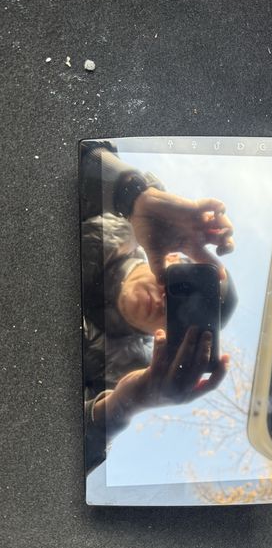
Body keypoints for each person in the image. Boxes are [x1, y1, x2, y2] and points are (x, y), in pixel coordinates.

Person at [79, 142, 237, 470]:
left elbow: (51, 448)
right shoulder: (120, 221)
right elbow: (67, 154)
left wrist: (123, 405)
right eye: (184, 291)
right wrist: (134, 194)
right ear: (175, 259)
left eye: (184, 316)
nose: (166, 303)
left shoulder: (129, 374)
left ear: (175, 337)